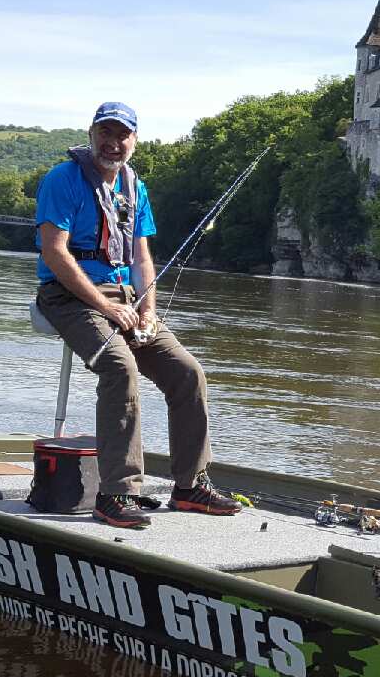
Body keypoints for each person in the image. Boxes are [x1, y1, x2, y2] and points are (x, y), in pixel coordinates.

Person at [33, 101, 241, 528]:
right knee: (118, 366)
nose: (113, 143)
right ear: (91, 135)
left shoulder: (134, 186)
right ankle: (116, 493)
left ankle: (190, 486)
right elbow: (54, 252)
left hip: (127, 297)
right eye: (105, 134)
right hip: (69, 294)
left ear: (134, 141)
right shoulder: (63, 179)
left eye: (122, 135)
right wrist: (103, 305)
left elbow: (143, 257)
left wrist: (148, 310)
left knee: (187, 372)